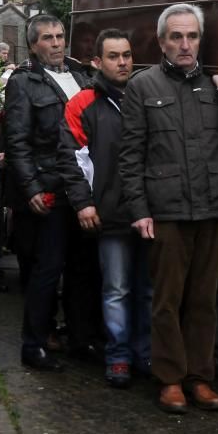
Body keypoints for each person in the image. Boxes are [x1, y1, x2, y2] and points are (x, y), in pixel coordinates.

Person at [119, 3, 218, 415]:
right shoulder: (143, 86)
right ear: (161, 42)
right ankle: (171, 379)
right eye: (176, 36)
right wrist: (139, 210)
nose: (185, 44)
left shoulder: (217, 84)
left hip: (216, 208)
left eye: (192, 36)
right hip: (168, 211)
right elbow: (130, 156)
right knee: (167, 301)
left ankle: (200, 378)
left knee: (204, 300)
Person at [59, 29, 152, 389]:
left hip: (149, 212)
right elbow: (71, 158)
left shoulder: (147, 96)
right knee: (116, 289)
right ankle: (118, 357)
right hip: (110, 212)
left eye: (127, 55)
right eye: (114, 56)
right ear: (98, 61)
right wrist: (83, 202)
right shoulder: (83, 102)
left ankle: (144, 353)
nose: (123, 62)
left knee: (148, 289)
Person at [5, 15, 94, 372]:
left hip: (83, 189)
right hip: (50, 187)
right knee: (47, 268)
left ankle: (80, 336)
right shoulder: (23, 82)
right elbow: (17, 140)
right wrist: (31, 188)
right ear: (33, 45)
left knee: (83, 268)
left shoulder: (82, 76)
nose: (57, 43)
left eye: (60, 36)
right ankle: (35, 343)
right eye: (47, 38)